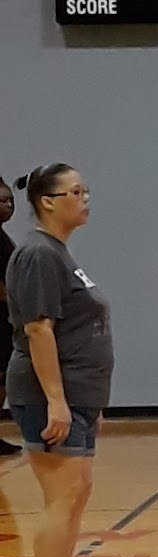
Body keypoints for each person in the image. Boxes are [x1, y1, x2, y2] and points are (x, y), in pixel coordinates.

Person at [7, 164, 113, 557]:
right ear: (47, 201)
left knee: (77, 492)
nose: (84, 198)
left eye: (85, 190)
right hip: (48, 395)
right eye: (75, 191)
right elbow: (37, 329)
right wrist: (56, 400)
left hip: (78, 397)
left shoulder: (59, 254)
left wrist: (90, 403)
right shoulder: (38, 256)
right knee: (62, 496)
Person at [0, 178, 22, 455]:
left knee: (3, 378)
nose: (7, 206)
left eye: (10, 201)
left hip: (6, 318)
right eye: (1, 201)